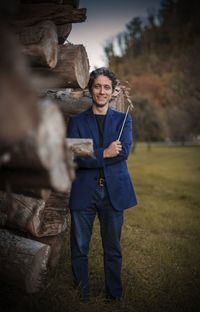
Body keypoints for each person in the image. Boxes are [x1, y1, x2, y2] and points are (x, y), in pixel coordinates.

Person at [67, 67, 137, 301]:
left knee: (113, 248)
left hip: (113, 191)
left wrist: (94, 153)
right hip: (84, 190)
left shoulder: (123, 120)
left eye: (107, 87)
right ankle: (81, 294)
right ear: (91, 89)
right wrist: (105, 152)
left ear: (113, 91)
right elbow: (74, 154)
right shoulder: (76, 120)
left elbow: (124, 152)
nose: (102, 91)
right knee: (79, 247)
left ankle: (114, 296)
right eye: (97, 86)